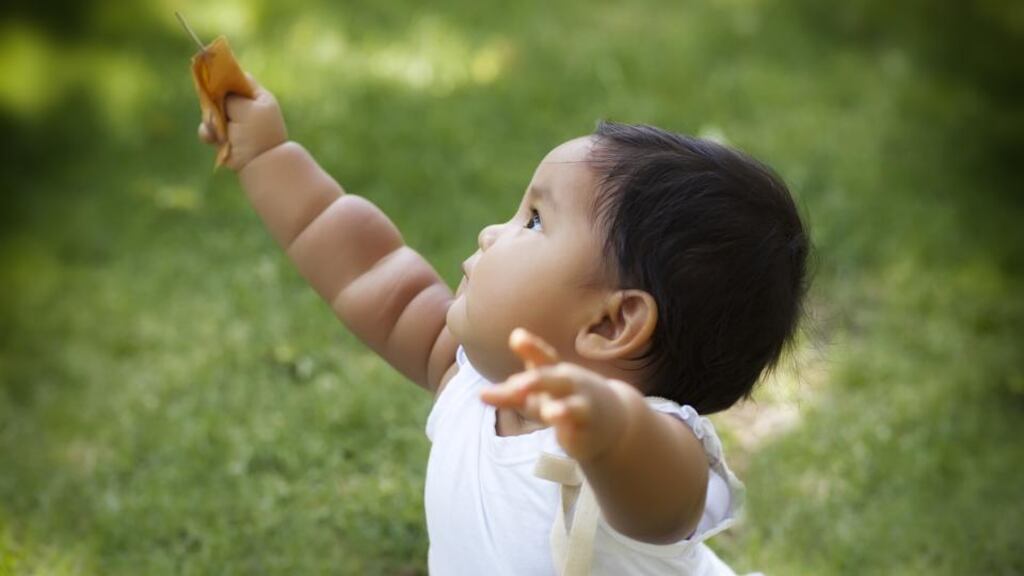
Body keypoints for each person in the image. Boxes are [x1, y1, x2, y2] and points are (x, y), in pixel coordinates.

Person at [196, 76, 808, 575]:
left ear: (613, 322)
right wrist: (270, 156)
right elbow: (368, 269)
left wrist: (609, 426)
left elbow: (667, 502)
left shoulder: (641, 455)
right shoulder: (467, 378)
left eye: (534, 221)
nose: (491, 232)